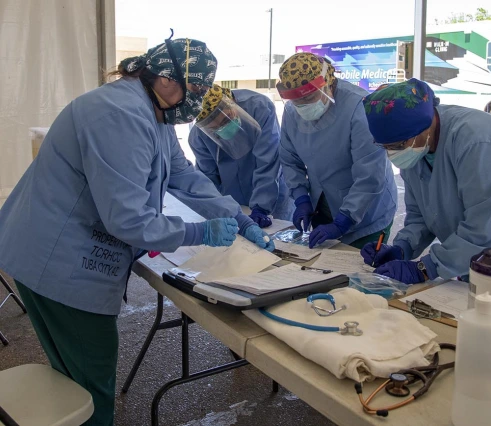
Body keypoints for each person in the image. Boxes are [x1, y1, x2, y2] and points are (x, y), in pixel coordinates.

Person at [0, 37, 273, 425]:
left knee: (74, 378)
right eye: (195, 90)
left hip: (52, 251)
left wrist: (238, 217)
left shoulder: (153, 112)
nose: (197, 101)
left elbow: (183, 175)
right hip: (59, 263)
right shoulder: (120, 115)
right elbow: (127, 221)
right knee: (91, 386)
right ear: (165, 79)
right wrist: (200, 233)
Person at [360, 78, 491, 300]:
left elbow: (485, 226)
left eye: (398, 146)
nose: (394, 153)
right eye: (386, 148)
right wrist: (402, 247)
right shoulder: (416, 149)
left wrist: (425, 268)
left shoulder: (477, 141)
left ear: (425, 123)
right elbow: (421, 215)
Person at [277, 53, 397, 249]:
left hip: (366, 212)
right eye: (297, 100)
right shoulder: (292, 111)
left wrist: (345, 219)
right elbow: (290, 159)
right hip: (322, 207)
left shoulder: (359, 106)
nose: (303, 105)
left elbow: (370, 174)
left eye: (309, 97)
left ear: (328, 83)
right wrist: (300, 197)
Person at [189, 84, 293, 228]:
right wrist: (217, 209)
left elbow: (268, 160)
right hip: (233, 200)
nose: (223, 128)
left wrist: (261, 207)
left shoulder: (259, 107)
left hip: (272, 191)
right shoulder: (198, 136)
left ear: (232, 104)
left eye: (226, 119)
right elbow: (208, 178)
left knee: (281, 236)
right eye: (215, 128)